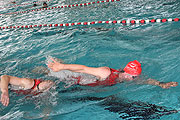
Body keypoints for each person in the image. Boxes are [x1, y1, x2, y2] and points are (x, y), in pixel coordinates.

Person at [47, 58, 178, 88]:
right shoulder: (105, 72)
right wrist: (62, 66)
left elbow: (145, 80)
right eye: (133, 77)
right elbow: (83, 69)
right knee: (53, 77)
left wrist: (160, 84)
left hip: (94, 86)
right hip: (76, 81)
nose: (134, 79)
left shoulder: (125, 77)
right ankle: (54, 66)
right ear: (127, 73)